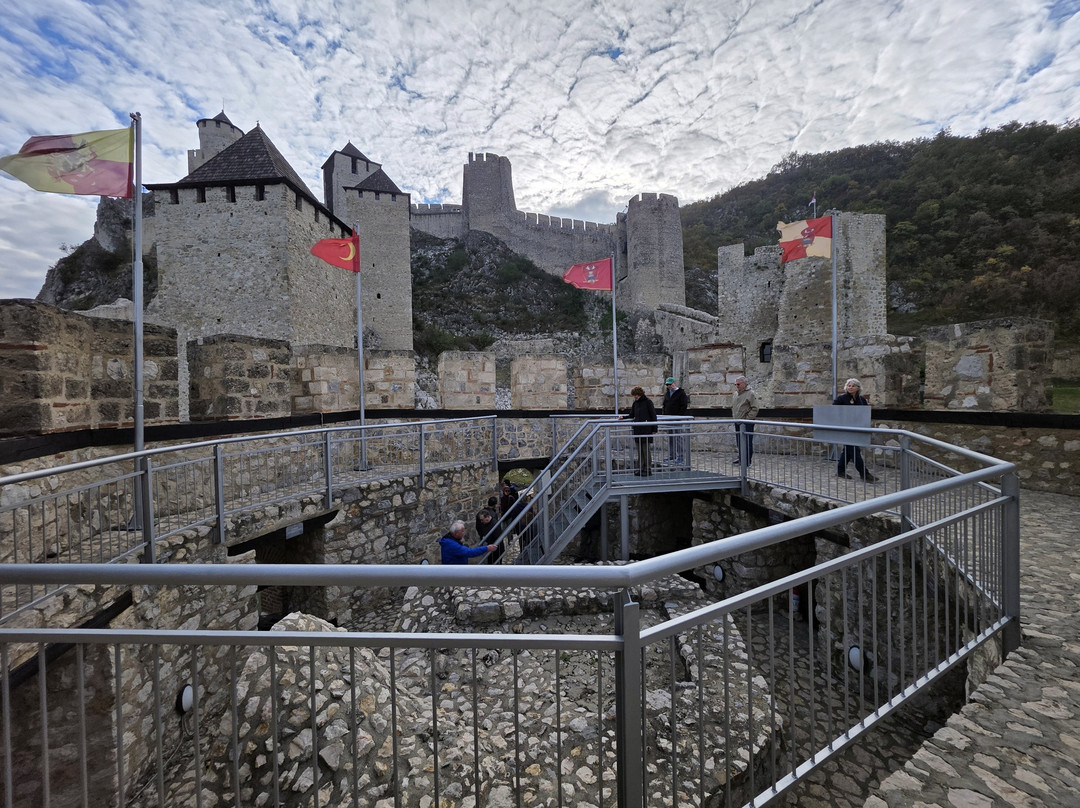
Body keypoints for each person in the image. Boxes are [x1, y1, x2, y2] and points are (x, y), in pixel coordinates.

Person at [833, 378, 877, 482]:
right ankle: (864, 474)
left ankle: (840, 470)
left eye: (853, 385)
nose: (850, 387)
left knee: (848, 450)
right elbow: (834, 412)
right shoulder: (841, 399)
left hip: (856, 428)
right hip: (845, 429)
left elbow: (864, 414)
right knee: (854, 450)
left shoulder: (862, 400)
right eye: (849, 385)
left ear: (858, 387)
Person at [621, 385, 658, 476]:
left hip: (646, 429)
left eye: (636, 395)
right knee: (639, 450)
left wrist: (654, 428)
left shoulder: (648, 402)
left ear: (640, 394)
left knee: (646, 450)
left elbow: (653, 415)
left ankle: (647, 469)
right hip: (637, 429)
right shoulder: (635, 403)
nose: (635, 397)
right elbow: (632, 414)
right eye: (634, 395)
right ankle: (641, 468)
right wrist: (623, 417)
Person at [661, 376, 690, 466]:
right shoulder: (667, 393)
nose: (669, 386)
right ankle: (671, 455)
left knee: (678, 437)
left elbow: (684, 405)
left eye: (670, 384)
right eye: (667, 385)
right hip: (668, 418)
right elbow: (665, 404)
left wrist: (679, 416)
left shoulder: (681, 393)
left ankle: (680, 456)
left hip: (677, 418)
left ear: (674, 383)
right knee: (671, 437)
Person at [732, 376, 759, 466]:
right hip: (738, 421)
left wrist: (747, 419)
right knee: (739, 441)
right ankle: (741, 458)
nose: (737, 386)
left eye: (738, 384)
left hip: (747, 422)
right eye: (735, 384)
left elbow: (755, 408)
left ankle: (747, 461)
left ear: (744, 383)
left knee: (747, 442)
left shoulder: (750, 394)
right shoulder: (736, 394)